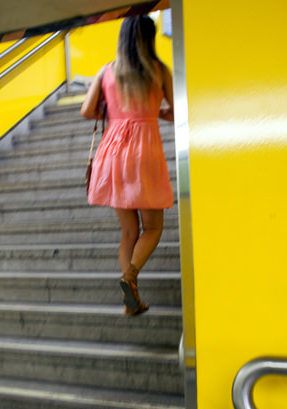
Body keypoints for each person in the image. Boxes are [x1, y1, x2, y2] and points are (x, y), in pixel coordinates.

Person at [81, 14, 174, 316]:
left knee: (129, 231)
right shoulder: (160, 71)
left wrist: (117, 117)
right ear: (150, 37)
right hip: (144, 152)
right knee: (154, 227)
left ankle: (130, 303)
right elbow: (178, 109)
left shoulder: (106, 71)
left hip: (112, 153)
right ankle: (130, 275)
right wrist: (155, 114)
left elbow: (87, 111)